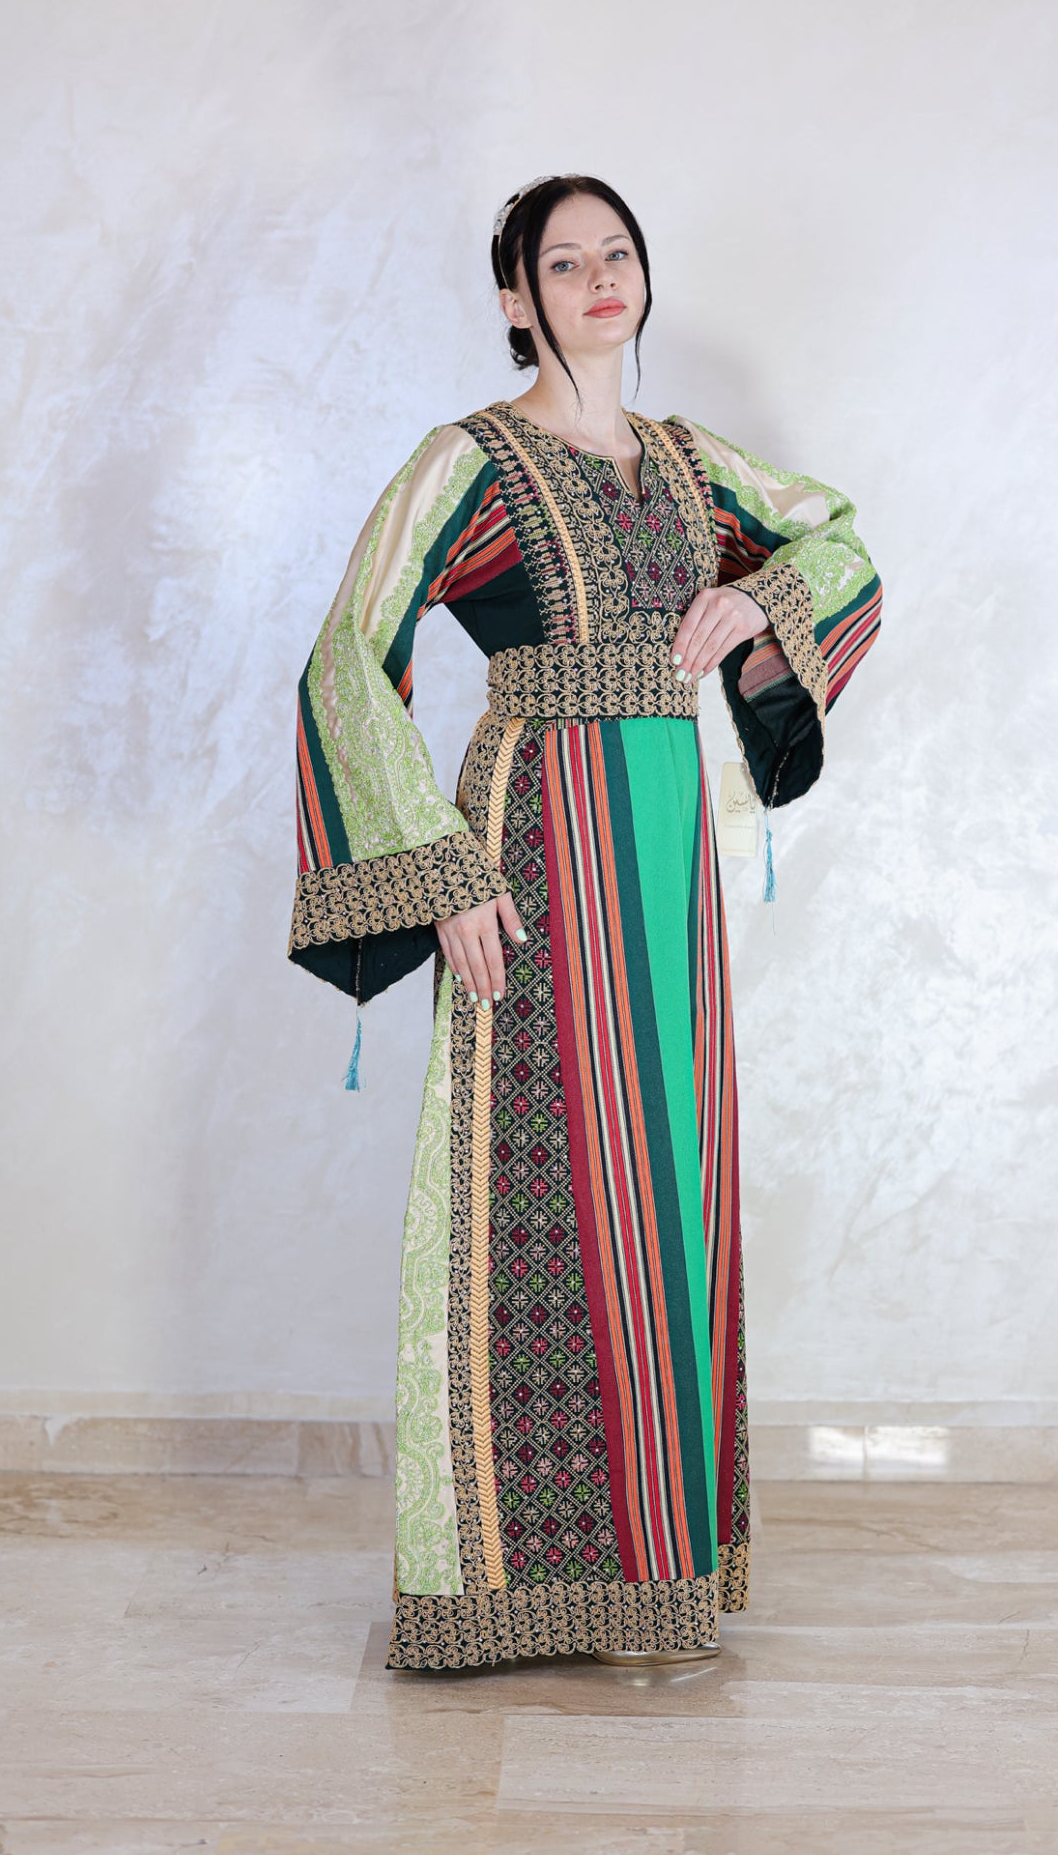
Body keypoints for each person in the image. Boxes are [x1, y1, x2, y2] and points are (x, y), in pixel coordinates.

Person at [287, 173, 883, 1671]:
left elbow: (835, 536)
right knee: (538, 1183)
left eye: (618, 253)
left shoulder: (689, 463)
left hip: (667, 852)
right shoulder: (470, 462)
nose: (600, 277)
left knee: (664, 1184)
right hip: (531, 841)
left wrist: (758, 605)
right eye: (564, 262)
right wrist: (440, 870)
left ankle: (654, 1570)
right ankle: (511, 1580)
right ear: (516, 297)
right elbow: (350, 651)